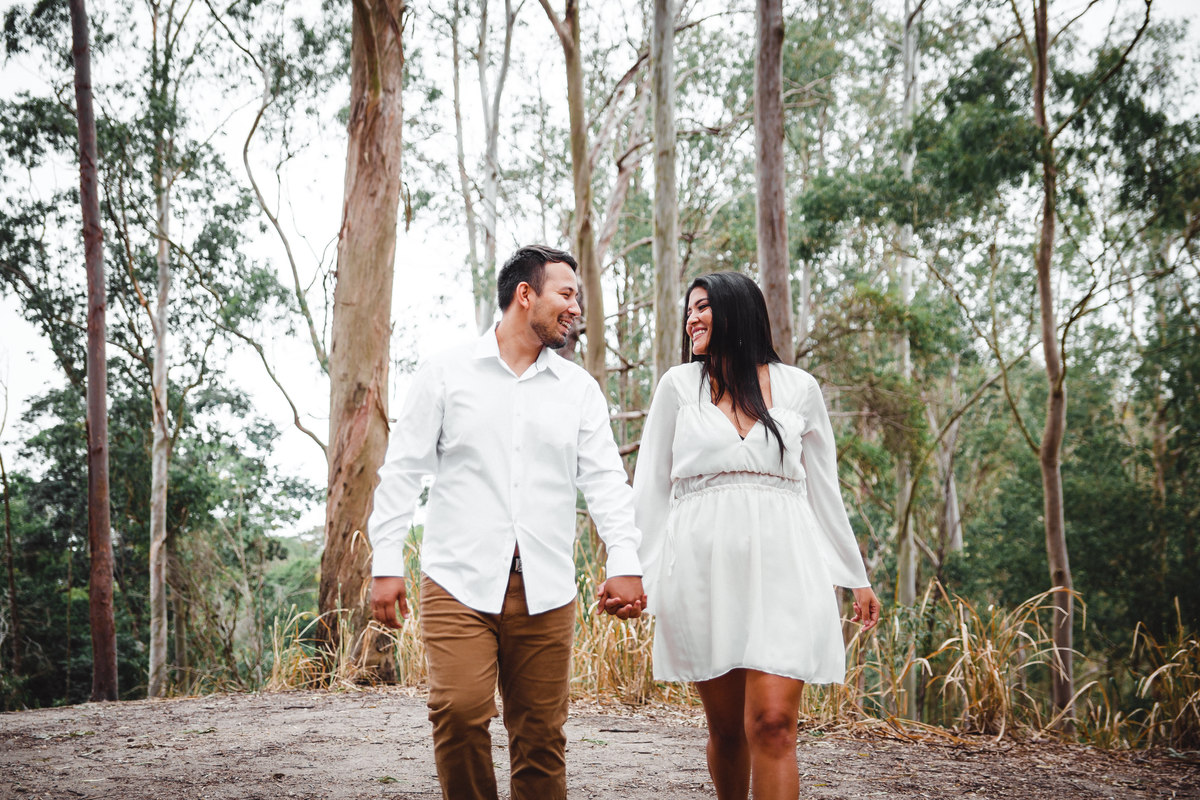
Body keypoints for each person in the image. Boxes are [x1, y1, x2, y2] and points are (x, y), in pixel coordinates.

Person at [368, 244, 647, 800]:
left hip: (545, 589)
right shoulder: (447, 374)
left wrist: (626, 561)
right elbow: (402, 472)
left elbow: (606, 485)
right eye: (566, 294)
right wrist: (385, 562)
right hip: (458, 582)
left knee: (541, 738)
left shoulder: (578, 391)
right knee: (458, 711)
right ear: (526, 296)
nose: (575, 308)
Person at [619, 271, 881, 800]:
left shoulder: (798, 388)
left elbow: (824, 489)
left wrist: (855, 575)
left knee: (774, 724)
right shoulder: (677, 386)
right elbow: (648, 485)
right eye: (688, 309)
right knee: (727, 729)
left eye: (703, 307)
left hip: (784, 562)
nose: (691, 318)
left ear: (738, 311)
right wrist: (630, 569)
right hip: (701, 569)